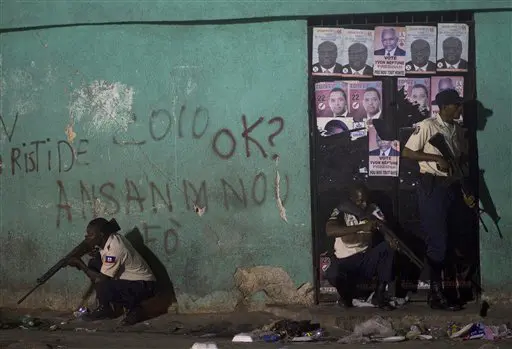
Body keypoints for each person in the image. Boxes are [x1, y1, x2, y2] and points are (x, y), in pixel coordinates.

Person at [402, 89, 468, 311]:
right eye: (456, 105)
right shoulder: (427, 125)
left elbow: (460, 160)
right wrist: (435, 157)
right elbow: (408, 153)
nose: (460, 108)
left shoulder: (457, 129)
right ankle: (436, 294)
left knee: (450, 243)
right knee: (437, 241)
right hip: (432, 187)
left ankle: (450, 292)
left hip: (451, 188)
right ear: (445, 106)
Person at [67, 218, 157, 325]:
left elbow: (101, 279)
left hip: (144, 286)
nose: (87, 238)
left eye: (91, 235)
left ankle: (136, 310)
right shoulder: (110, 239)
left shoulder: (115, 247)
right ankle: (105, 308)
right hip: (133, 282)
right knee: (94, 263)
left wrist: (79, 264)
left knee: (104, 283)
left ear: (101, 235)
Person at [324, 183, 397, 310]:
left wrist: (389, 238)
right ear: (351, 199)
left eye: (365, 200)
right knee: (332, 272)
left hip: (365, 260)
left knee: (386, 247)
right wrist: (361, 227)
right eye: (359, 201)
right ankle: (345, 297)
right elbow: (330, 230)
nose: (363, 204)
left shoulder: (373, 209)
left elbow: (384, 229)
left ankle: (379, 295)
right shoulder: (342, 210)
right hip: (345, 261)